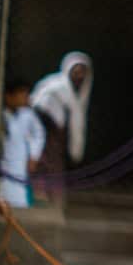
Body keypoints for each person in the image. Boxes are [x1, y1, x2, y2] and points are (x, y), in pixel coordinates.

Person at [31, 51, 93, 198]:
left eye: (82, 73)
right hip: (47, 129)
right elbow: (40, 105)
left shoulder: (76, 94)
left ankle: (51, 195)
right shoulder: (55, 87)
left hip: (56, 134)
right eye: (76, 72)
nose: (79, 76)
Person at [0, 80, 45, 208]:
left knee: (19, 196)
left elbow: (39, 134)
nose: (26, 98)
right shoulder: (0, 115)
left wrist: (33, 156)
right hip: (3, 163)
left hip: (20, 161)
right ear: (8, 97)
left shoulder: (27, 114)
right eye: (22, 94)